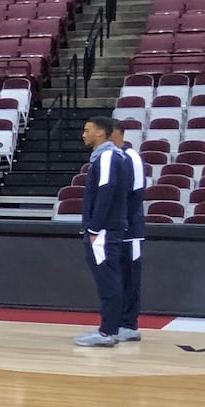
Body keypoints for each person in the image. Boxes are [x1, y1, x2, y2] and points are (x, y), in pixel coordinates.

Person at [75, 116, 130, 347]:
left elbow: (106, 191)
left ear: (100, 133)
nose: (83, 134)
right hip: (108, 229)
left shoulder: (107, 157)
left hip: (104, 231)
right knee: (111, 280)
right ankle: (111, 328)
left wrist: (95, 227)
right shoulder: (108, 157)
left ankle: (107, 332)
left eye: (87, 130)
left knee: (108, 281)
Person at [111, 123, 145, 342]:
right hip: (113, 229)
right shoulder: (108, 157)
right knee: (115, 277)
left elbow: (136, 194)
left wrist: (124, 222)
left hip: (130, 230)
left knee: (130, 277)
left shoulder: (130, 156)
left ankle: (129, 324)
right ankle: (115, 322)